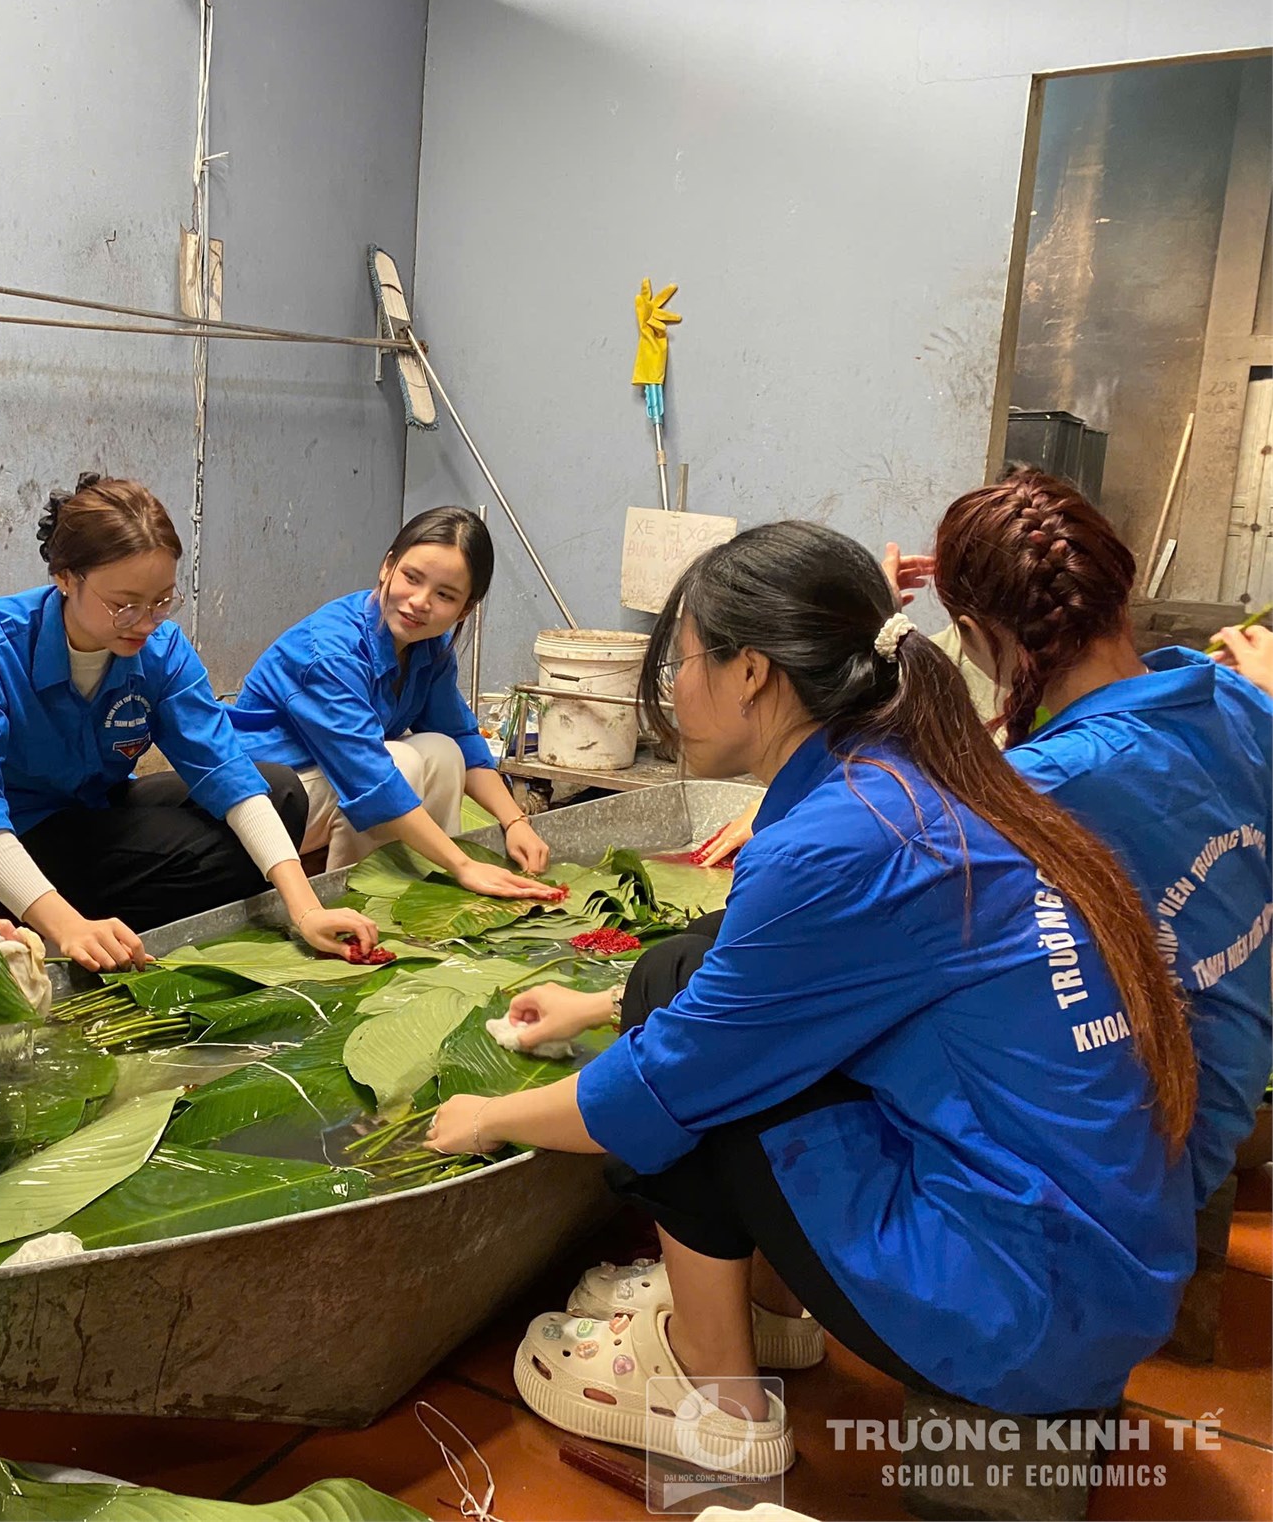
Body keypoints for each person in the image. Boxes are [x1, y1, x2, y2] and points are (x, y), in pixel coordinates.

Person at [427, 520, 1195, 1474]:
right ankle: (772, 1313)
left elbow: (664, 1083)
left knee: (684, 1028)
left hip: (1025, 1307)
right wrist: (587, 1007)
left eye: (687, 658)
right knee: (686, 974)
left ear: (753, 673)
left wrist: (488, 1117)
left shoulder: (844, 838)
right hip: (1098, 1260)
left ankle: (718, 1395)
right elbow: (763, 966)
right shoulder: (908, 780)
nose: (674, 687)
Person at [931, 470, 1271, 1207]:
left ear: (974, 639)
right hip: (1231, 1108)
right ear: (1122, 587)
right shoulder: (1238, 699)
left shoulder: (1040, 785)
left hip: (1144, 1160)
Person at [0, 473, 375, 972]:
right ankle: (60, 926)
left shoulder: (160, 652)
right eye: (124, 605)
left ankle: (102, 924)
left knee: (281, 792)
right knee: (209, 861)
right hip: (10, 842)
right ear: (66, 577)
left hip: (93, 813)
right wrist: (66, 924)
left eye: (162, 600)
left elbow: (224, 769)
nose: (145, 621)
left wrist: (306, 908)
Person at [228, 507, 557, 896]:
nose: (420, 602)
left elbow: (462, 739)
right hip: (266, 800)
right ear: (388, 566)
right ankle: (354, 897)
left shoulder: (428, 647)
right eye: (411, 578)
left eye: (445, 595)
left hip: (330, 787)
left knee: (442, 750)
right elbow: (370, 778)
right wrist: (464, 865)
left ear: (465, 608)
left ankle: (420, 889)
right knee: (401, 762)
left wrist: (515, 820)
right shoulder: (330, 651)